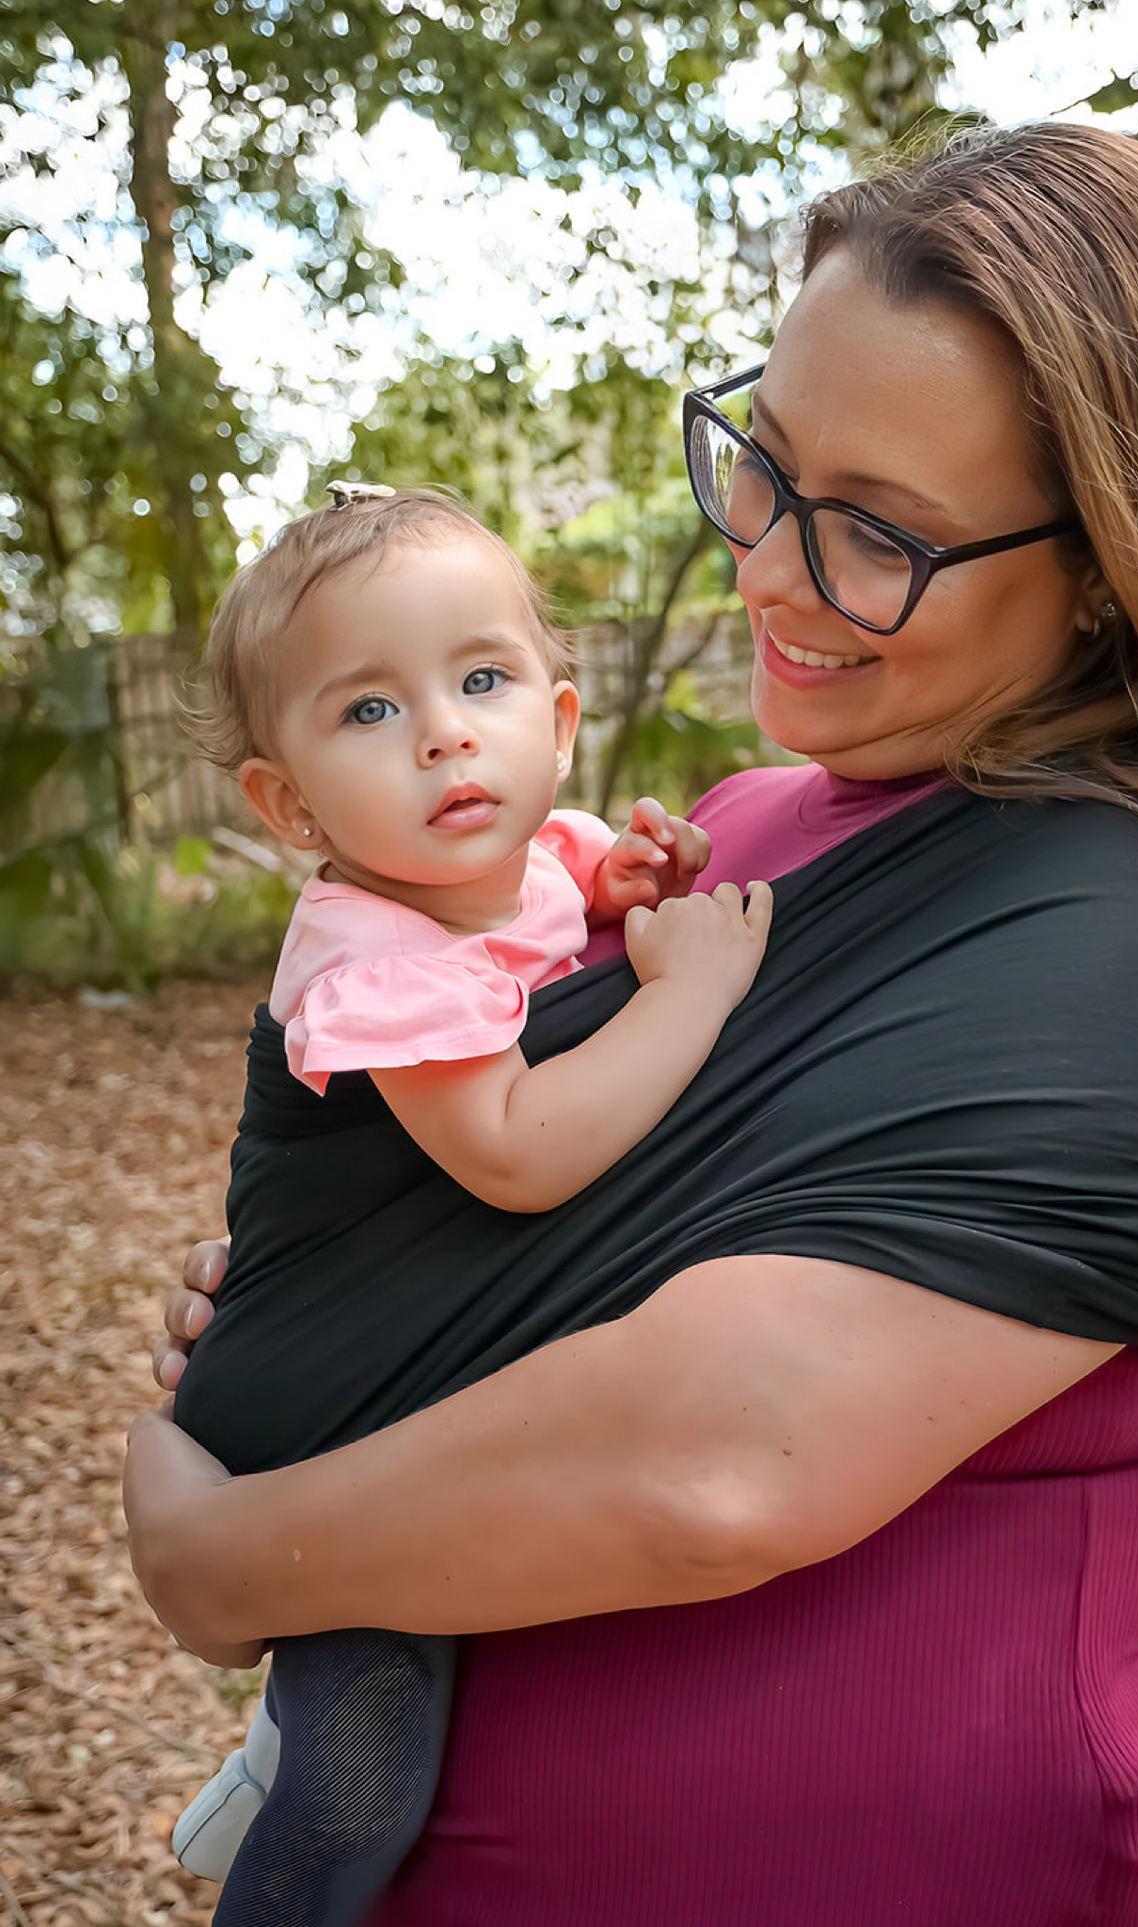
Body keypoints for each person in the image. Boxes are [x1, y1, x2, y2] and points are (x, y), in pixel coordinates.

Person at [125, 120, 1138, 1927]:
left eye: (883, 531)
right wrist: (321, 1290)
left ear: (1117, 561)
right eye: (767, 464)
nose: (774, 572)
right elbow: (504, 1162)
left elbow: (717, 1456)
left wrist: (217, 1553)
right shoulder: (740, 830)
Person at [165, 485, 772, 1922]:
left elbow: (571, 890)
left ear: (556, 720)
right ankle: (291, 1852)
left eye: (481, 680)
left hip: (407, 1339)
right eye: (369, 710)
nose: (444, 730)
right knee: (375, 1752)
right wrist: (689, 989)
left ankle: (288, 1731)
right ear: (288, 803)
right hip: (333, 1399)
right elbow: (517, 1146)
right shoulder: (376, 952)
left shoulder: (515, 855)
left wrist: (634, 884)